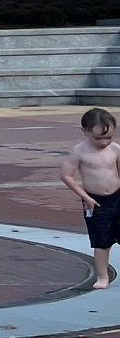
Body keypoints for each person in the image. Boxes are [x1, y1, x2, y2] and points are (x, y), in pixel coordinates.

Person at [62, 107, 120, 289]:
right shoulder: (79, 151)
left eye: (108, 137)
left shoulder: (116, 149)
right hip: (95, 201)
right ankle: (102, 276)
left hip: (117, 196)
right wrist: (85, 197)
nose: (104, 142)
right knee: (101, 240)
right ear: (85, 131)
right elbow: (66, 175)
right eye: (98, 138)